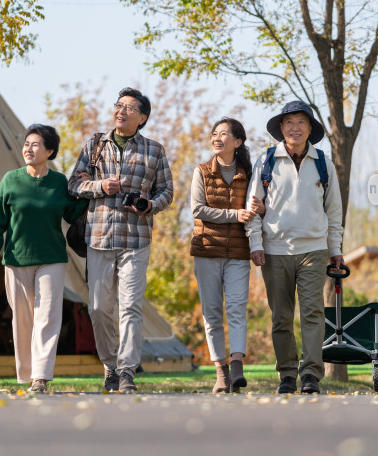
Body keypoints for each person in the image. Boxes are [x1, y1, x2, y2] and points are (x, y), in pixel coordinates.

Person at [68, 87, 174, 394]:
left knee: (130, 307)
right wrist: (101, 186)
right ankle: (110, 365)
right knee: (99, 308)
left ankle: (126, 371)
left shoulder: (154, 150)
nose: (121, 111)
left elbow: (166, 191)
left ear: (142, 118)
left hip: (136, 239)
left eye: (129, 108)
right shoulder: (95, 144)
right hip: (98, 236)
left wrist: (148, 205)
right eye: (119, 105)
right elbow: (74, 183)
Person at [245, 101, 344, 394]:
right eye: (289, 122)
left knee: (313, 313)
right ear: (281, 128)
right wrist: (255, 243)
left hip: (314, 250)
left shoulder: (324, 163)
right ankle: (287, 374)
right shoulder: (266, 161)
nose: (295, 127)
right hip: (275, 250)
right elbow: (251, 208)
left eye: (301, 122)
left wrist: (335, 249)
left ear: (310, 128)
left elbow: (334, 211)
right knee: (281, 317)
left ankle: (311, 374)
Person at [0, 124, 88, 393]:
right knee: (23, 318)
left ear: (49, 151)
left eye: (35, 144)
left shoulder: (59, 182)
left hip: (51, 257)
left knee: (48, 316)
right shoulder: (10, 180)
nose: (28, 149)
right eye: (26, 144)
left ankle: (40, 377)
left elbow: (72, 213)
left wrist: (89, 193)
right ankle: (27, 374)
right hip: (16, 259)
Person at [190, 117, 265, 393]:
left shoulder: (248, 172)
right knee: (211, 314)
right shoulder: (201, 172)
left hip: (238, 253)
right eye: (214, 134)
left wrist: (260, 211)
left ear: (237, 142)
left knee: (236, 308)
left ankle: (236, 367)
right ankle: (220, 373)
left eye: (224, 134)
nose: (217, 138)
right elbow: (197, 209)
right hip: (206, 250)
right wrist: (235, 215)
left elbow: (257, 207)